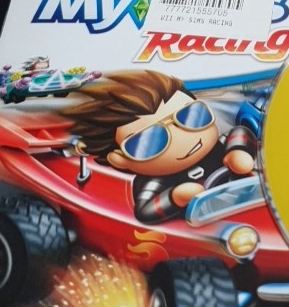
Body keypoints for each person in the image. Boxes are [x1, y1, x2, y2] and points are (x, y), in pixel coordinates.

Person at [59, 70, 258, 223]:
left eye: (191, 116)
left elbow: (239, 133)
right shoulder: (155, 182)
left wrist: (238, 151)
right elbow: (145, 211)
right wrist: (175, 197)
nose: (183, 136)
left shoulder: (217, 148)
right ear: (118, 159)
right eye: (149, 141)